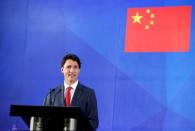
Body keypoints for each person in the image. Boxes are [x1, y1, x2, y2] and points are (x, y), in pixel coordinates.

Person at [43, 53, 99, 129]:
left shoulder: (89, 94)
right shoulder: (52, 94)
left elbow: (94, 123)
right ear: (62, 69)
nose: (72, 71)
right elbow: (43, 120)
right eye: (68, 67)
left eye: (75, 67)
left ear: (79, 70)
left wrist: (73, 125)